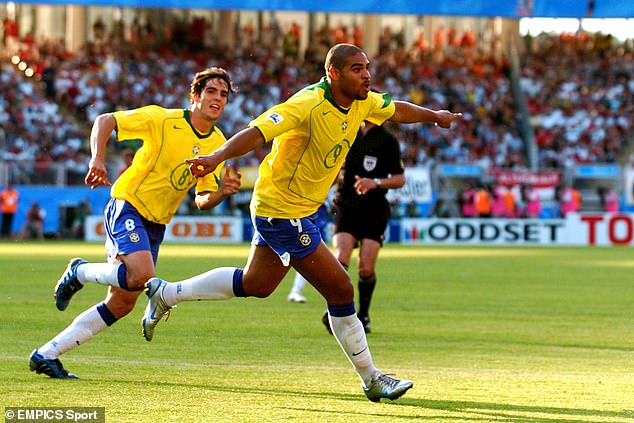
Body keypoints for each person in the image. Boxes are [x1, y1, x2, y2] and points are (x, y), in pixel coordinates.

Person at [140, 44, 461, 402]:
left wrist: (433, 115)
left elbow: (396, 109)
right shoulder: (306, 103)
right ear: (334, 74)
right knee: (341, 290)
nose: (366, 74)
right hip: (281, 210)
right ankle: (372, 378)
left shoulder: (364, 100)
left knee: (257, 284)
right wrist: (216, 156)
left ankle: (166, 293)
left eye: (367, 67)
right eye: (357, 69)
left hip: (301, 209)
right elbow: (258, 131)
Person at [29, 67, 242, 379]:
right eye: (211, 91)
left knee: (123, 303)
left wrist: (220, 193)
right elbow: (105, 120)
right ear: (195, 96)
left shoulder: (219, 143)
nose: (218, 99)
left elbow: (202, 198)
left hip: (156, 223)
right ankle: (79, 271)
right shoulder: (164, 119)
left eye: (223, 94)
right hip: (128, 204)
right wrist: (97, 159)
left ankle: (47, 354)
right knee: (143, 276)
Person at [322, 120, 405, 334]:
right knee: (340, 258)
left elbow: (400, 179)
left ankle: (364, 315)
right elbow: (330, 167)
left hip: (374, 207)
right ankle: (337, 311)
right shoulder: (344, 131)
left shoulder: (388, 141)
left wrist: (375, 182)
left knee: (366, 267)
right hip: (345, 204)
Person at [286, 202, 329, 303]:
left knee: (309, 257)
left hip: (314, 211)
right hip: (309, 210)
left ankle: (296, 291)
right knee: (308, 257)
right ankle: (296, 291)